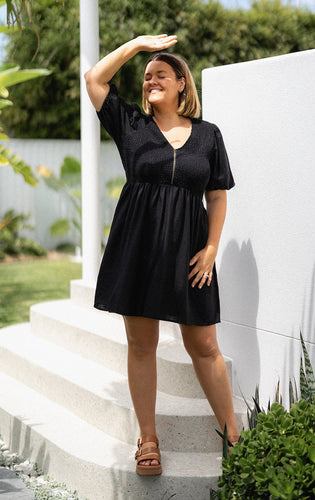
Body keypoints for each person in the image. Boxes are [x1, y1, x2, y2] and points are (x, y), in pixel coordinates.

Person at [85, 34, 239, 476]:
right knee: (142, 344)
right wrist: (136, 46)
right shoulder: (131, 124)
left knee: (204, 344)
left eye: (161, 75)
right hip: (138, 246)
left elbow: (217, 194)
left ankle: (233, 436)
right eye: (146, 76)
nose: (151, 80)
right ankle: (148, 439)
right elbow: (94, 79)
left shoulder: (208, 135)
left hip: (191, 251)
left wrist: (211, 248)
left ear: (182, 84)